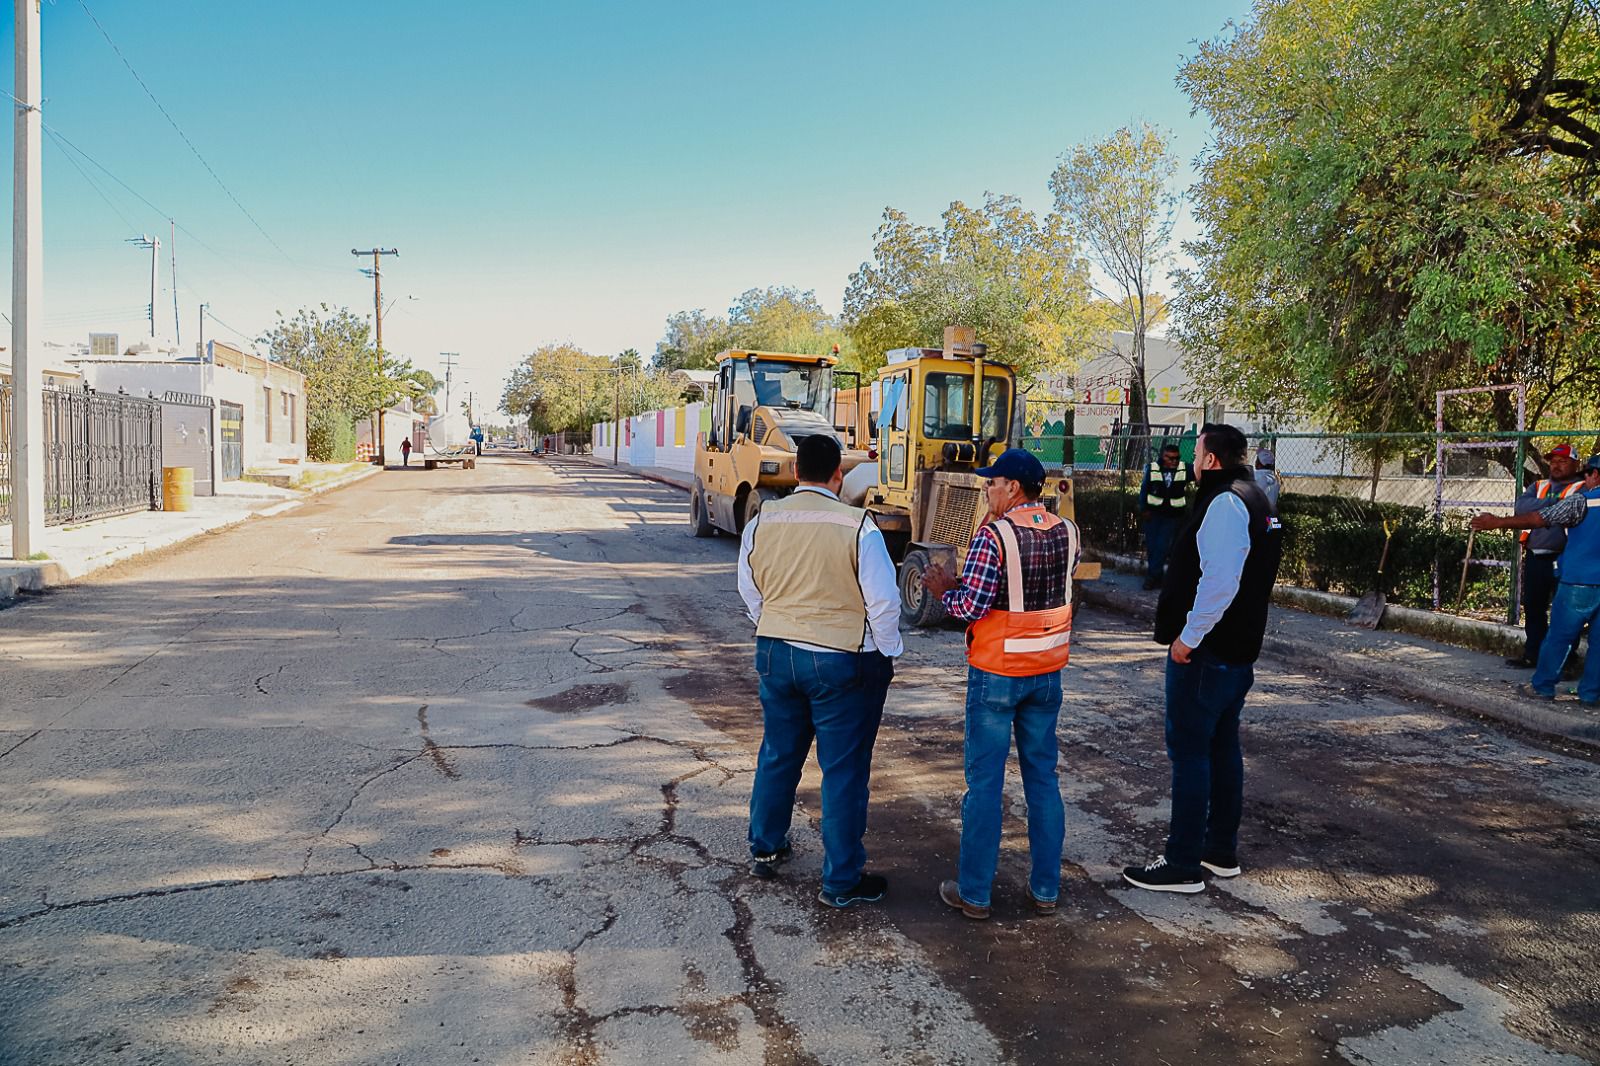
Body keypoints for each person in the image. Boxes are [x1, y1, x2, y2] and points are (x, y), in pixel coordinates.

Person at [737, 433, 902, 909]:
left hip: (774, 651)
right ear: (839, 476)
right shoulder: (858, 527)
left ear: (794, 472)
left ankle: (766, 849)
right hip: (839, 661)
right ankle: (841, 881)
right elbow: (884, 603)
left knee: (778, 753)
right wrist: (886, 652)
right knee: (843, 771)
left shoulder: (763, 520)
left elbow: (749, 587)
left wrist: (774, 623)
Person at [1123, 423, 1283, 894]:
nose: (1192, 460)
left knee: (1191, 753)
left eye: (1197, 452)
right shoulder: (1257, 498)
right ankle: (1218, 852)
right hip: (1236, 651)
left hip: (1209, 652)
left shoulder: (1226, 503)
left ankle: (1183, 863)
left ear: (1212, 459)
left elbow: (1221, 581)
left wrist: (1188, 639)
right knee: (1221, 748)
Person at [922, 448, 1079, 920]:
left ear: (1013, 488)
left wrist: (944, 589)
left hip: (997, 675)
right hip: (1046, 675)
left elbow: (970, 608)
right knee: (1043, 781)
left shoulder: (996, 535)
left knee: (985, 785)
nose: (987, 488)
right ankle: (1046, 891)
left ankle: (974, 894)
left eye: (993, 482)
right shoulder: (1068, 532)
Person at [1470, 454, 1600, 705]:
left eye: (1587, 475)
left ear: (1594, 475)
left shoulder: (1582, 502)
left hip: (1578, 582)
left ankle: (1542, 687)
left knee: (1559, 637)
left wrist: (1498, 522)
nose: (1586, 479)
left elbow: (1539, 519)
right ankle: (1591, 694)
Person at [1504, 445, 1583, 668]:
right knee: (1534, 606)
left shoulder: (1581, 487)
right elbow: (1521, 507)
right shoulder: (1539, 486)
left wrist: (1541, 507)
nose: (1557, 465)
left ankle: (1566, 661)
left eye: (1563, 461)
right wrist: (1553, 502)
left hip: (1565, 558)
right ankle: (1533, 654)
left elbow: (1568, 508)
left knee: (1565, 611)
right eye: (1553, 461)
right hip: (1536, 556)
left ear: (1575, 464)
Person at [1140, 441, 1194, 590]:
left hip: (1172, 516)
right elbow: (1144, 489)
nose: (1174, 461)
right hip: (1153, 515)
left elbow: (1200, 473)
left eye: (1177, 458)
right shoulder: (1153, 469)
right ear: (1163, 457)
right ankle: (1156, 576)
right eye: (1170, 458)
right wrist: (1143, 508)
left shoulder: (1184, 469)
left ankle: (1152, 577)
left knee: (1163, 546)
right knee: (1152, 547)